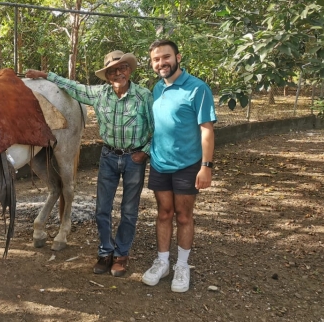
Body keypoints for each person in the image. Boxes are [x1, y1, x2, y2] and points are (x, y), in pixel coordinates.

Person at [25, 50, 154, 277]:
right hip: (109, 156)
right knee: (102, 209)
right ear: (107, 75)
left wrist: (144, 152)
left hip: (134, 158)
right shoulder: (99, 94)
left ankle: (121, 255)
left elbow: (156, 128)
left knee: (129, 210)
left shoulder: (144, 96)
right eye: (112, 70)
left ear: (129, 70)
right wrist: (45, 75)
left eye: (122, 68)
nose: (118, 73)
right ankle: (105, 252)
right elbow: (71, 86)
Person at [141, 40, 217, 292]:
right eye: (156, 59)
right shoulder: (157, 89)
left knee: (183, 216)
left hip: (187, 164)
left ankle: (182, 266)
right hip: (160, 163)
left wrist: (206, 166)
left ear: (178, 57)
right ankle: (162, 262)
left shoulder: (198, 88)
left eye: (166, 57)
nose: (161, 63)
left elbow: (206, 129)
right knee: (163, 213)